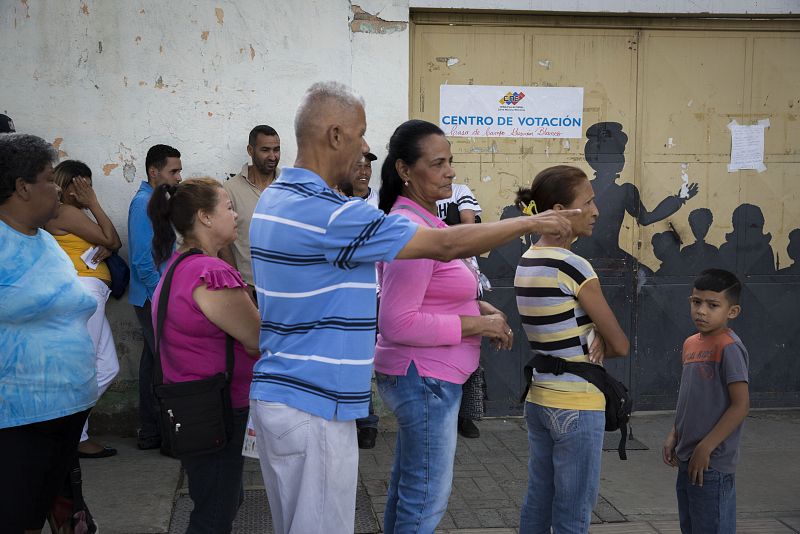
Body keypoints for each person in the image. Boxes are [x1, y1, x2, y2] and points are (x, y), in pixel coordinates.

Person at [248, 82, 579, 534]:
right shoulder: (333, 215)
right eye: (361, 134)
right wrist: (530, 221)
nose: (367, 149)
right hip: (315, 405)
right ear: (335, 135)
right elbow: (442, 246)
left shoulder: (274, 199)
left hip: (282, 396)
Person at [375, 120, 516, 532]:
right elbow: (398, 322)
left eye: (450, 162)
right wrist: (478, 325)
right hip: (423, 377)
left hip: (426, 377)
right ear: (405, 170)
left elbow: (434, 293)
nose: (451, 172)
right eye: (438, 163)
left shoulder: (426, 221)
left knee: (409, 490)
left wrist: (482, 307)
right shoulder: (412, 229)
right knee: (424, 501)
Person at [514, 165, 630, 534]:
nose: (597, 210)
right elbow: (621, 345)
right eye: (589, 202)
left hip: (540, 397)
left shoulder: (527, 260)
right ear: (562, 211)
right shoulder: (574, 266)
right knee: (574, 511)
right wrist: (595, 343)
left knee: (540, 497)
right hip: (577, 404)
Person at [149, 178, 261, 534]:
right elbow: (256, 338)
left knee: (220, 499)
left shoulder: (178, 265)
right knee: (215, 511)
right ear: (205, 217)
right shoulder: (210, 273)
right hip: (218, 407)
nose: (236, 215)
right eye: (228, 207)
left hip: (193, 403)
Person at [0, 134, 98, 534]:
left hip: (66, 410)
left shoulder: (45, 241)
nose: (57, 187)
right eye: (47, 178)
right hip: (19, 420)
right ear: (22, 187)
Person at [45, 160, 122, 459]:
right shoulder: (66, 211)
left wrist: (106, 241)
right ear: (66, 187)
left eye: (90, 185)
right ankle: (67, 432)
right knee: (85, 367)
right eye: (81, 185)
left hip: (92, 293)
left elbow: (110, 241)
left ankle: (72, 431)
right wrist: (94, 204)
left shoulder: (73, 213)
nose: (87, 190)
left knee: (107, 367)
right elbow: (111, 239)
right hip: (84, 291)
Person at [663, 269, 749, 534]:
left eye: (713, 305)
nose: (701, 311)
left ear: (732, 311)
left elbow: (740, 405)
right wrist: (674, 433)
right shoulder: (690, 344)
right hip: (688, 456)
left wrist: (707, 447)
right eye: (696, 302)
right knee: (690, 526)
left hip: (713, 463)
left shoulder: (729, 347)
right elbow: (690, 397)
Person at [128, 144, 182, 450]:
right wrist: (162, 296)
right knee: (164, 365)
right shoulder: (142, 204)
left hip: (155, 294)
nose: (178, 177)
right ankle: (161, 433)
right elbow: (142, 261)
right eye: (173, 171)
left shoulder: (157, 200)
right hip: (152, 297)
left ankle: (150, 431)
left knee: (152, 363)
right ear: (154, 172)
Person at [436, 181, 486, 438]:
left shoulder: (460, 191)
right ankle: (446, 410)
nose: (446, 171)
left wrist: (436, 235)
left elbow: (469, 228)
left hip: (465, 272)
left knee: (469, 346)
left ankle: (465, 415)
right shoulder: (409, 197)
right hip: (435, 276)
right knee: (442, 344)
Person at [345, 150, 381, 449]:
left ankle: (368, 420)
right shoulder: (336, 202)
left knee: (374, 358)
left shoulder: (383, 202)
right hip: (348, 293)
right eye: (358, 165)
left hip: (380, 292)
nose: (364, 170)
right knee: (356, 358)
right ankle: (363, 419)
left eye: (367, 166)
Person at [220, 125, 281, 292]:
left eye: (276, 150)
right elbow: (222, 241)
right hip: (249, 288)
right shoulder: (230, 190)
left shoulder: (289, 187)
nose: (272, 156)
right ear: (250, 150)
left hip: (285, 288)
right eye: (265, 150)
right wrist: (238, 284)